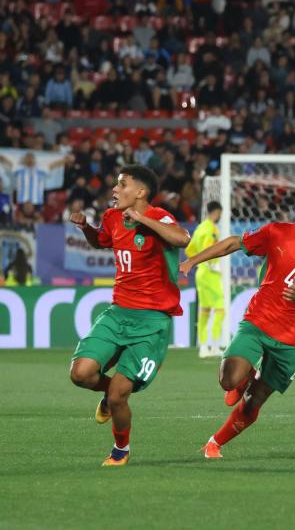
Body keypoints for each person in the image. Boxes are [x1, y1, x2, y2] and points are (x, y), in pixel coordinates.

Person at [179, 183, 295, 459]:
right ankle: (243, 379)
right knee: (228, 379)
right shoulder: (276, 233)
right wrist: (192, 261)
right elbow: (234, 242)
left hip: (293, 338)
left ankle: (214, 443)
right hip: (259, 322)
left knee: (254, 401)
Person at [68, 164, 190, 466]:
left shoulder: (160, 217)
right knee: (80, 374)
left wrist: (142, 219)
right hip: (118, 312)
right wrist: (86, 228)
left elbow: (181, 239)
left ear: (141, 192)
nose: (114, 189)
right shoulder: (112, 217)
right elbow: (102, 240)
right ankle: (109, 396)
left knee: (120, 395)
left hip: (152, 322)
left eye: (122, 184)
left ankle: (120, 449)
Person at [185, 200, 225, 358]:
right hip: (210, 273)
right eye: (220, 213)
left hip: (201, 273)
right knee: (220, 309)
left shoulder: (199, 228)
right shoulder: (211, 229)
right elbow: (210, 247)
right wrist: (211, 264)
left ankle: (203, 347)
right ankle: (215, 345)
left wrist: (199, 262)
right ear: (216, 212)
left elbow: (190, 249)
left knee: (205, 310)